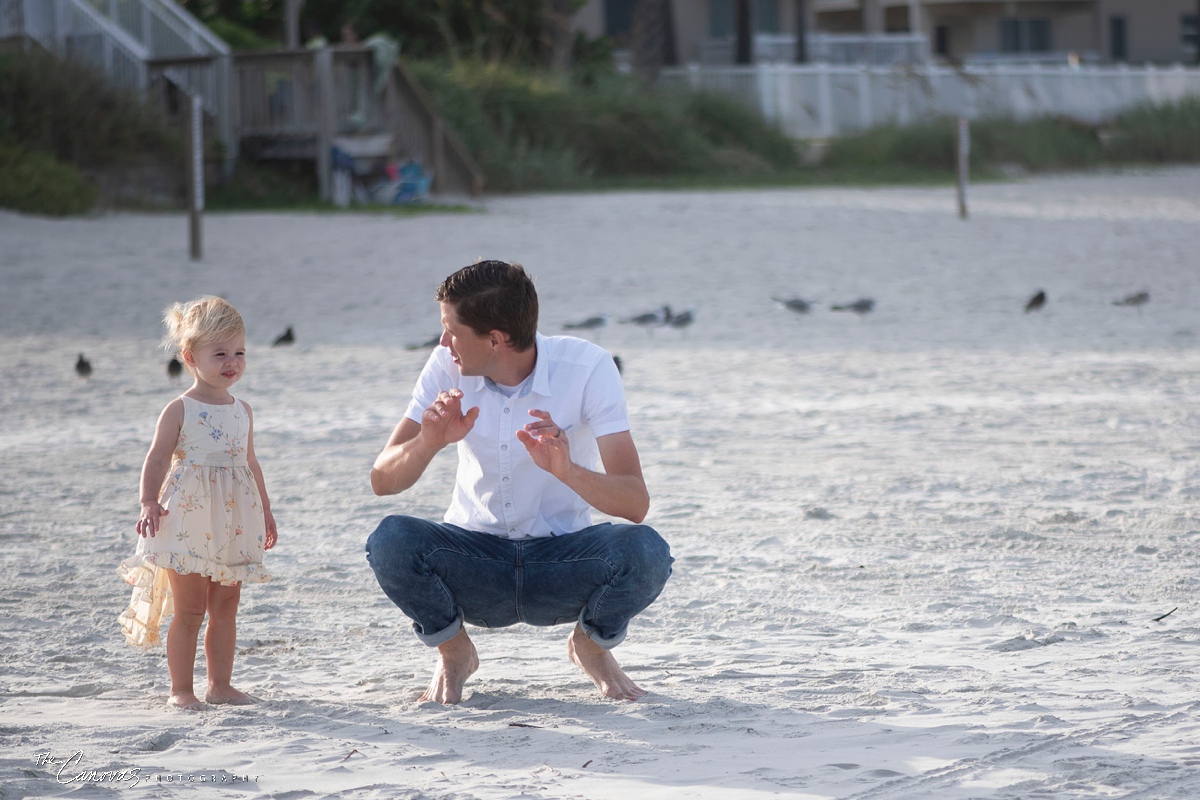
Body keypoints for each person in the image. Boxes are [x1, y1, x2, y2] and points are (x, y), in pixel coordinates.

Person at [367, 260, 672, 705]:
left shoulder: (587, 367)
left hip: (563, 563)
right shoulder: (445, 366)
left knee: (647, 551)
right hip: (473, 561)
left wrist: (567, 470)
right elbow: (382, 480)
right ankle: (454, 652)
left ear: (496, 339)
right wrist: (428, 442)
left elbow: (635, 502)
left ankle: (590, 645)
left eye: (452, 330)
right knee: (391, 539)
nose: (443, 342)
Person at [118, 296, 278, 711]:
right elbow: (156, 458)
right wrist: (148, 501)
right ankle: (181, 690)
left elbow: (250, 463)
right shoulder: (180, 408)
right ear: (190, 357)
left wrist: (265, 510)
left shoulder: (243, 410)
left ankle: (220, 685)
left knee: (226, 605)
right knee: (190, 610)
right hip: (187, 517)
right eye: (220, 353)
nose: (232, 361)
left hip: (234, 520)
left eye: (239, 352)